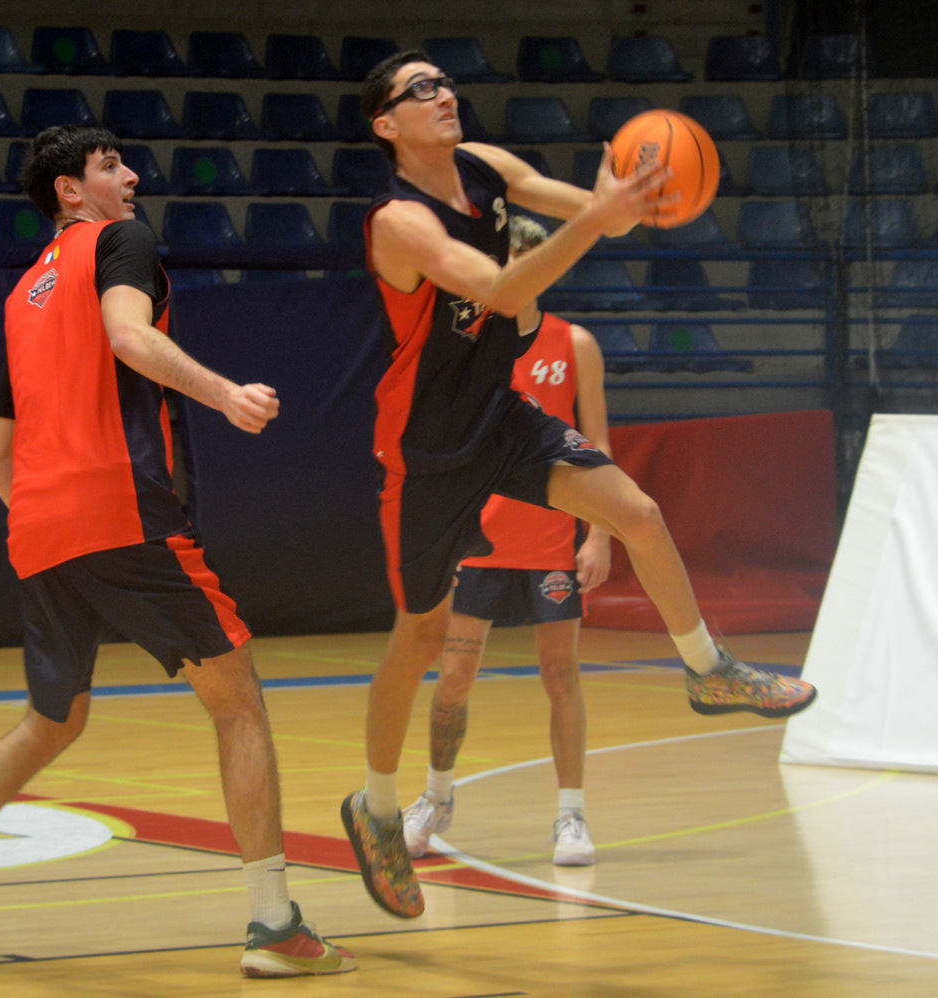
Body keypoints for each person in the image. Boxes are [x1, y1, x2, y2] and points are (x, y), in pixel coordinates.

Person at [0, 125, 355, 979]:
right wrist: (225, 393)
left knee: (52, 723)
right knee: (238, 699)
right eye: (112, 164)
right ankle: (275, 927)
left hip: (38, 529)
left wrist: (56, 518)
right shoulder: (122, 241)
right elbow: (127, 336)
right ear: (71, 192)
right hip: (120, 511)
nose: (134, 174)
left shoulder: (20, 298)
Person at [341, 51, 816, 920]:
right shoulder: (397, 222)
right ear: (386, 125)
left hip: (501, 413)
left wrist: (627, 202)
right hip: (429, 449)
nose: (442, 93)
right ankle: (374, 809)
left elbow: (608, 223)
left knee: (638, 511)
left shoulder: (489, 168)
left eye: (444, 81)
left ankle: (709, 670)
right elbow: (502, 285)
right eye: (419, 89)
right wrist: (598, 220)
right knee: (419, 640)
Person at [402, 214, 611, 868]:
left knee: (560, 673)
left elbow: (596, 442)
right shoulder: (467, 345)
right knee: (455, 677)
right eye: (507, 257)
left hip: (552, 542)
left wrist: (599, 532)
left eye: (527, 255)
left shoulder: (574, 343)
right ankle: (435, 798)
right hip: (479, 541)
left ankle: (571, 816)